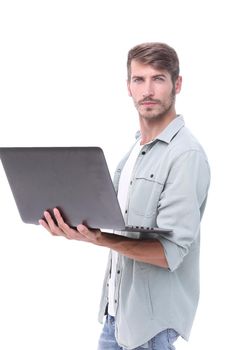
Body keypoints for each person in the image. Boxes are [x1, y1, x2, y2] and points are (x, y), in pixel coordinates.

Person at [39, 42, 211, 350]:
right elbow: (120, 227)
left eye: (158, 78)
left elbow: (169, 253)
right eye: (138, 79)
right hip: (116, 319)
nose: (147, 90)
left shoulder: (186, 155)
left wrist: (99, 239)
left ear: (178, 84)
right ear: (128, 87)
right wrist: (74, 226)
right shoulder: (134, 153)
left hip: (151, 329)